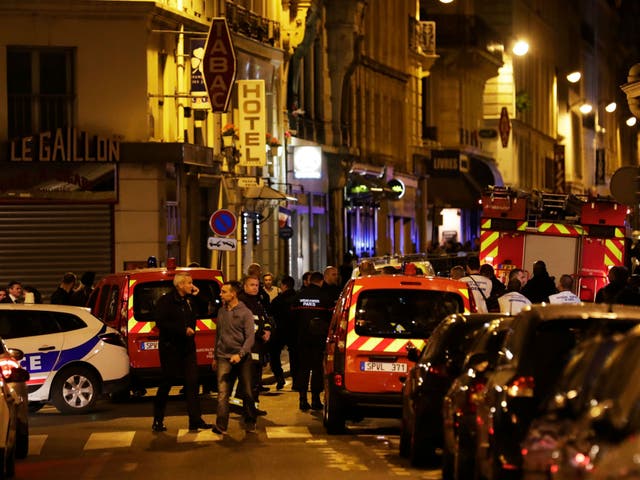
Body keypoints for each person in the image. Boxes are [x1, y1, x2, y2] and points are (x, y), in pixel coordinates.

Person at [152, 273, 211, 432]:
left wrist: (199, 296)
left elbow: (205, 309)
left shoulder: (190, 300)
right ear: (179, 285)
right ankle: (158, 419)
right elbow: (161, 322)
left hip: (188, 348)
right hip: (171, 348)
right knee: (167, 382)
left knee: (192, 383)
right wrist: (182, 330)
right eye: (189, 283)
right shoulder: (166, 301)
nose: (192, 286)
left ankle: (195, 420)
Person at [211, 281, 257, 435]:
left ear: (233, 294)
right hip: (224, 356)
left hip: (242, 358)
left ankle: (250, 419)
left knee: (247, 391)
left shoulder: (245, 313)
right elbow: (218, 335)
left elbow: (250, 337)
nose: (220, 294)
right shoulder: (221, 312)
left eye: (224, 292)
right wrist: (215, 357)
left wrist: (241, 354)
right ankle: (221, 425)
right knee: (223, 392)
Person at [292, 271, 334, 411]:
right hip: (318, 340)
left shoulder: (299, 296)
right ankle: (315, 400)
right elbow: (331, 319)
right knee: (317, 370)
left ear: (309, 281)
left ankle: (302, 400)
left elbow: (292, 317)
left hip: (302, 339)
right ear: (321, 281)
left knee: (302, 369)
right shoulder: (325, 297)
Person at [238, 275, 272, 412]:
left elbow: (265, 318)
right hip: (248, 346)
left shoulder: (257, 302)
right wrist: (261, 333)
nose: (255, 288)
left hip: (258, 346)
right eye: (252, 285)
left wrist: (268, 329)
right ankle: (247, 408)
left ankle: (254, 406)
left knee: (256, 379)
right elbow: (245, 325)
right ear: (245, 286)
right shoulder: (241, 303)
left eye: (257, 285)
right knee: (249, 379)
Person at [269, 275, 298, 390]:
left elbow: (270, 314)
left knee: (274, 353)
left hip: (280, 330)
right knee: (295, 356)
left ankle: (279, 377)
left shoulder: (278, 300)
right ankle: (296, 382)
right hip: (294, 331)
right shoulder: (298, 298)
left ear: (284, 286)